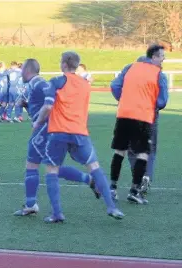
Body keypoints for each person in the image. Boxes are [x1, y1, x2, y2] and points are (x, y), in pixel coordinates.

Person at [35, 51, 124, 223]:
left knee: (52, 170)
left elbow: (47, 107)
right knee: (95, 167)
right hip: (80, 132)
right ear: (77, 65)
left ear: (63, 64)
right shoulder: (85, 84)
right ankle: (112, 207)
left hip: (58, 132)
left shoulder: (56, 81)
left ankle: (57, 213)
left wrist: (37, 122)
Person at [13, 59, 100, 217]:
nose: (20, 74)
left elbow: (51, 103)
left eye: (22, 71)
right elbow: (42, 103)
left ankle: (31, 204)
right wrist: (26, 104)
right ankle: (89, 180)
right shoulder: (37, 84)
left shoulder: (39, 83)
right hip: (51, 129)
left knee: (32, 164)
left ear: (27, 71)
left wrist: (41, 123)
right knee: (52, 168)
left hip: (45, 129)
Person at [110, 45, 168, 204]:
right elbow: (162, 101)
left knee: (122, 150)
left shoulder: (130, 68)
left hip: (125, 113)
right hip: (145, 115)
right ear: (154, 58)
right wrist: (152, 105)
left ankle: (112, 188)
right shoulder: (158, 73)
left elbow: (114, 86)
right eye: (162, 56)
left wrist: (124, 99)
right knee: (146, 151)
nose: (163, 60)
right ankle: (140, 182)